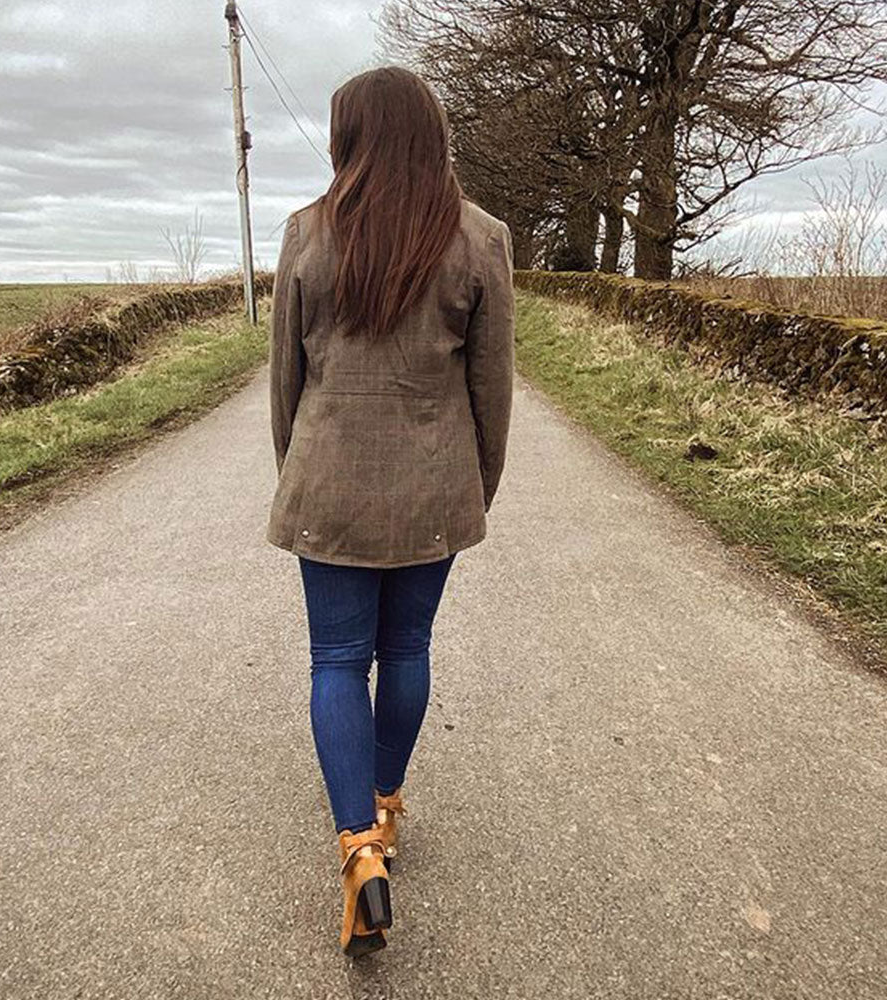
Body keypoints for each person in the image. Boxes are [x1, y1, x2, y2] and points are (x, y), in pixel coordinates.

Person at [265, 64, 515, 957]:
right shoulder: (481, 238)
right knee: (406, 649)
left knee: (337, 658)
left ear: (349, 138)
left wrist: (296, 477)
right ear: (432, 132)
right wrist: (475, 487)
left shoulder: (305, 234)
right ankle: (384, 803)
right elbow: (492, 386)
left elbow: (285, 384)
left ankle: (358, 850)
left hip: (327, 481)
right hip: (434, 488)